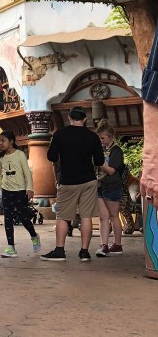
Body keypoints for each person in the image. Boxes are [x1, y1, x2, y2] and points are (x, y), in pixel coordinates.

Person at [42, 107, 105, 262]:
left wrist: (64, 157)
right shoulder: (92, 136)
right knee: (86, 216)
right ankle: (84, 252)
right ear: (85, 119)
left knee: (63, 216)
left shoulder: (60, 134)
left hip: (68, 180)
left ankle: (59, 251)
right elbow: (99, 161)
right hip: (88, 181)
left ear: (69, 118)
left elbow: (51, 156)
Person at [0, 130, 41, 258]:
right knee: (8, 218)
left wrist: (29, 188)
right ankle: (11, 247)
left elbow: (27, 172)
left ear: (11, 141)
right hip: (6, 191)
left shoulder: (20, 155)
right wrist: (1, 186)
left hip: (20, 191)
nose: (0, 143)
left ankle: (34, 236)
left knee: (23, 217)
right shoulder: (0, 157)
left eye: (3, 141)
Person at [95, 120, 125, 257]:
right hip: (100, 185)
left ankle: (117, 244)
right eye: (99, 138)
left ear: (111, 136)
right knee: (103, 217)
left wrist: (99, 161)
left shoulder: (116, 151)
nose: (101, 141)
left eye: (103, 138)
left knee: (113, 216)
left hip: (112, 186)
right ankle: (104, 245)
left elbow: (112, 170)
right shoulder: (103, 150)